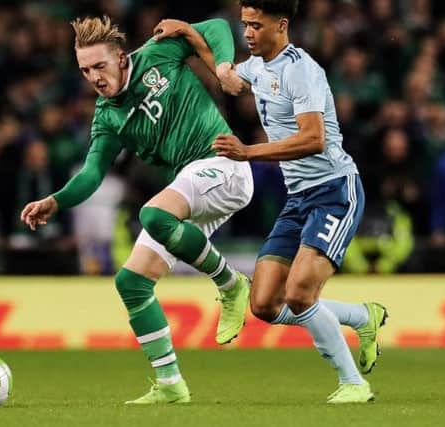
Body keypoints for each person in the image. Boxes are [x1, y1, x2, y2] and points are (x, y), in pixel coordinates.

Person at [20, 16, 253, 404]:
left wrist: (224, 66)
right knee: (131, 282)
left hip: (225, 164)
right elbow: (93, 173)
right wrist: (55, 200)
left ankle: (231, 284)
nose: (93, 76)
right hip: (192, 186)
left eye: (100, 66)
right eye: (84, 70)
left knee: (152, 214)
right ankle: (170, 385)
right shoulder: (107, 117)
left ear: (122, 59)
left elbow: (214, 27)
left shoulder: (157, 54)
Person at [176, 0, 388, 403]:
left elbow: (314, 138)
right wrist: (187, 33)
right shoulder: (258, 66)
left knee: (300, 294)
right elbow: (227, 75)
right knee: (264, 303)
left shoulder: (301, 70)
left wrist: (249, 153)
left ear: (282, 24)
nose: (248, 34)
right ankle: (364, 317)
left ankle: (353, 384)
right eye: (245, 26)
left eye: (256, 25)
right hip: (299, 198)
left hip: (333, 191)